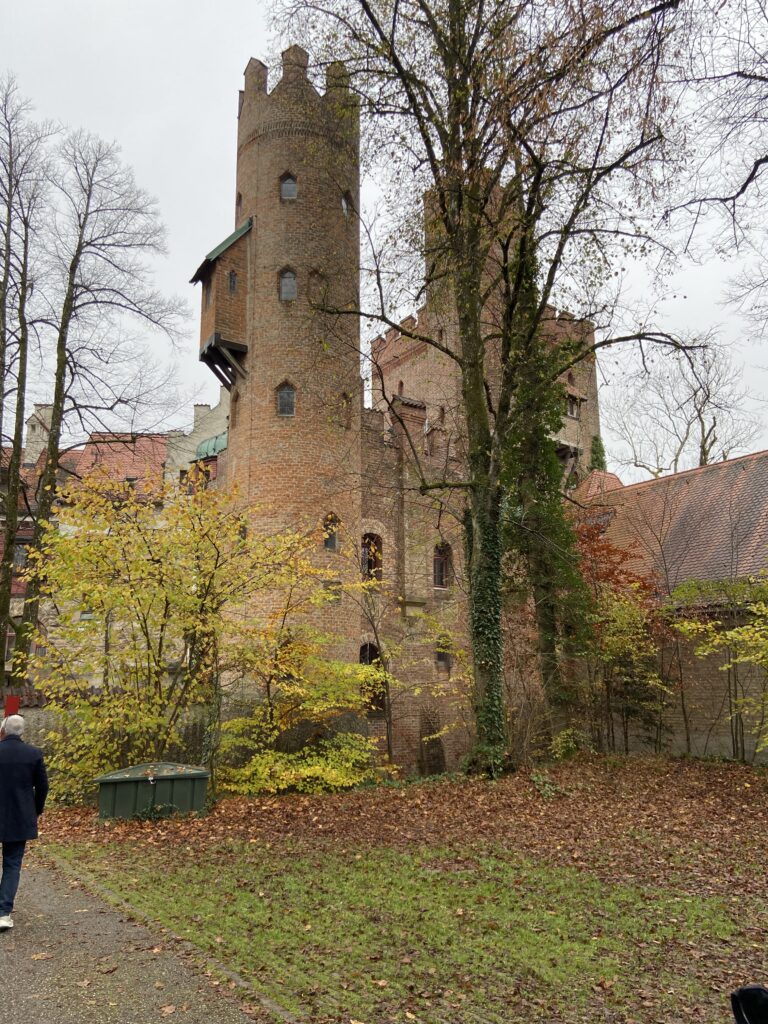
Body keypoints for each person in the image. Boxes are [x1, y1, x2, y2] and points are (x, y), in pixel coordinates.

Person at [0, 714, 48, 931]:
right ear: (22, 732)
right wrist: (35, 810)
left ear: (4, 730)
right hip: (19, 816)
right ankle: (3, 912)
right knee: (12, 864)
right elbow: (42, 787)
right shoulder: (33, 754)